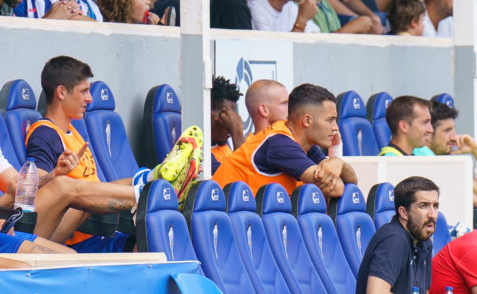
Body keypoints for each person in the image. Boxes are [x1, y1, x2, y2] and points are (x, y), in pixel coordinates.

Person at [25, 55, 202, 249]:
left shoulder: (73, 133)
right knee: (76, 188)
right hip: (63, 238)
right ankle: (151, 194)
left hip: (90, 229)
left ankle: (154, 180)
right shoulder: (44, 134)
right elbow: (36, 191)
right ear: (61, 92)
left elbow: (96, 188)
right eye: (83, 91)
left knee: (148, 238)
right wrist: (56, 175)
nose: (89, 99)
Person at [212, 82, 356, 200]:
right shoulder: (279, 143)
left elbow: (352, 183)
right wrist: (337, 162)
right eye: (330, 120)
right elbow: (336, 188)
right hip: (223, 222)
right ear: (307, 121)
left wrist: (338, 164)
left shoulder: (306, 145)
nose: (335, 127)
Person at [422, 99, 477, 207]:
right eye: (447, 130)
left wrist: (476, 149)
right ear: (429, 132)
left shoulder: (446, 162)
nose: (454, 137)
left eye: (453, 130)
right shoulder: (421, 160)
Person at [209, 75, 244, 173]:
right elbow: (239, 175)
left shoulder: (222, 144)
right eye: (226, 115)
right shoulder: (199, 151)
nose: (230, 122)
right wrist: (236, 132)